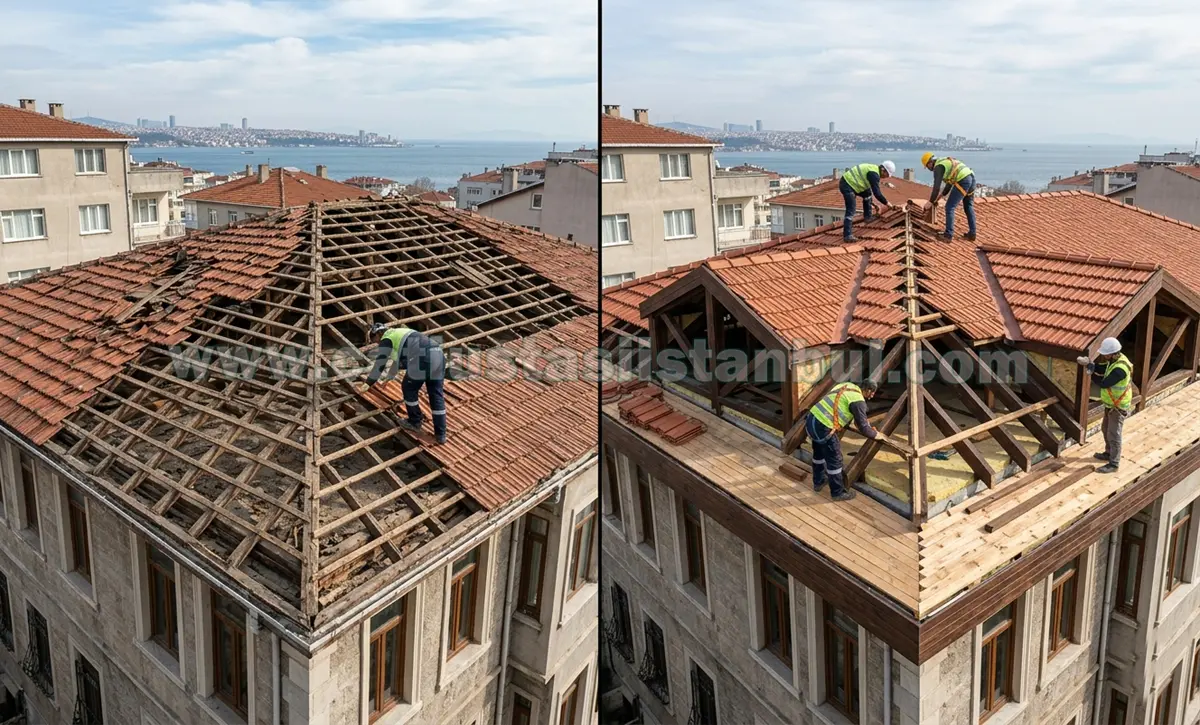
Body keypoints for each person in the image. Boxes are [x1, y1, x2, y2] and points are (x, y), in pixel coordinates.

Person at [363, 322, 448, 444]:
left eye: (373, 339)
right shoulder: (398, 333)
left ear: (378, 334)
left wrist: (368, 383)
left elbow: (380, 364)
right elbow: (399, 360)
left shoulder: (386, 338)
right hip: (438, 355)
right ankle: (441, 434)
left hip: (422, 358)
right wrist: (389, 377)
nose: (375, 343)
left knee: (408, 388)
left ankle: (415, 421)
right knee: (436, 395)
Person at [807, 380, 880, 501]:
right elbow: (864, 429)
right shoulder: (858, 401)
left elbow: (839, 405)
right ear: (867, 390)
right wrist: (876, 434)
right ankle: (837, 493)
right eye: (872, 392)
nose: (872, 396)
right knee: (835, 460)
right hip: (824, 426)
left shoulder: (846, 385)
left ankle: (818, 481)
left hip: (812, 418)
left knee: (818, 454)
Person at [1077, 337, 1132, 473]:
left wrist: (1090, 372)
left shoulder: (1120, 369)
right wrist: (1092, 364)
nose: (1104, 356)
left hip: (1118, 406)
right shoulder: (1115, 360)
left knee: (1114, 434)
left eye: (1106, 354)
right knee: (1105, 428)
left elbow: (1104, 382)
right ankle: (1108, 453)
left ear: (1113, 353)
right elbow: (1103, 368)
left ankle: (1114, 463)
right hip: (1111, 404)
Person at [922, 152, 978, 241]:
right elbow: (949, 185)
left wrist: (930, 202)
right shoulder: (945, 162)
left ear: (930, 163)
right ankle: (972, 234)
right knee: (968, 206)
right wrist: (939, 197)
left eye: (927, 167)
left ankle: (948, 235)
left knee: (949, 207)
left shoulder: (938, 167)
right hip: (971, 177)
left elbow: (936, 187)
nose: (930, 169)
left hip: (963, 180)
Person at [839, 160, 896, 241]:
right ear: (883, 170)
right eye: (887, 174)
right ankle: (847, 235)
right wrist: (887, 203)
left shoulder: (874, 170)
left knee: (868, 194)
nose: (886, 177)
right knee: (851, 210)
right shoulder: (874, 174)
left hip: (852, 184)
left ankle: (868, 217)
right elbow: (877, 194)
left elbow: (872, 190)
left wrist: (873, 204)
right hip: (847, 185)